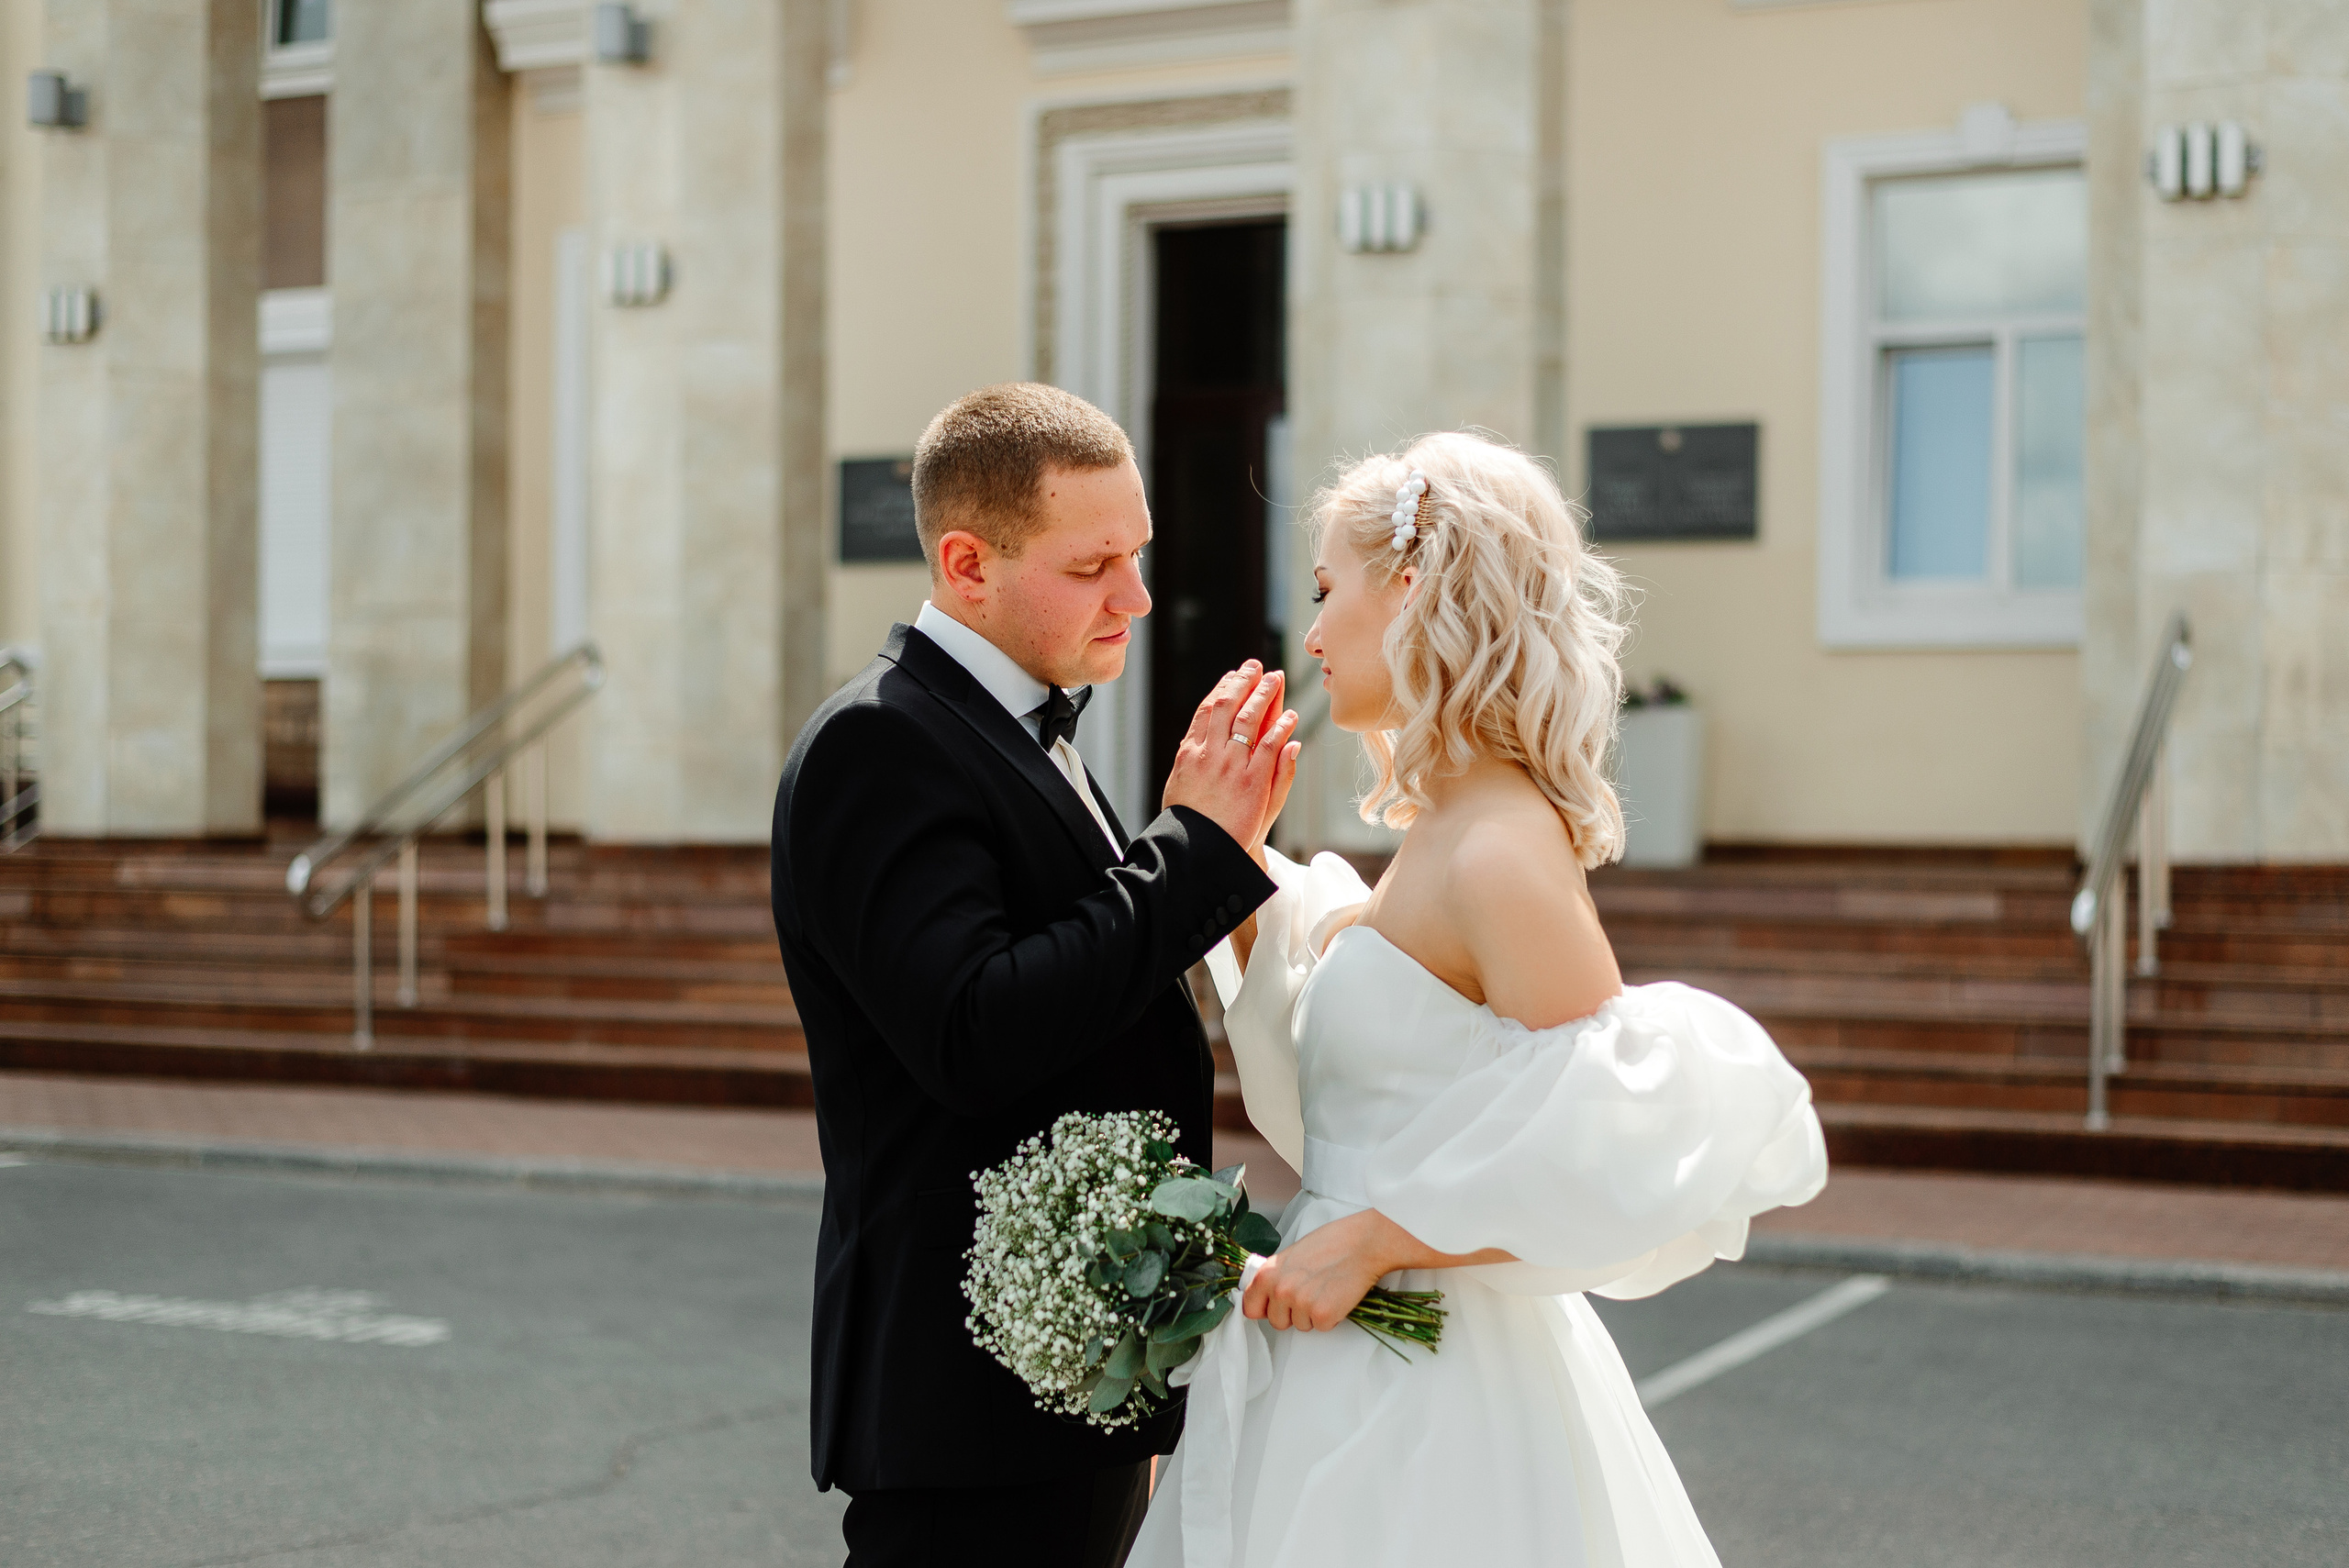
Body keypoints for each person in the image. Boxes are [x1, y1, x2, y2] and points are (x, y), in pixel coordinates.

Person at [1128, 431, 1830, 1567]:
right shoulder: (1436, 830)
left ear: (1413, 588)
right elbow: (1394, 1073)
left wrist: (1376, 1235)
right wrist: (1227, 862)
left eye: (1324, 590)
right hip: (1355, 1370)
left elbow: (1613, 1114)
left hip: (1439, 1401)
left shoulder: (1498, 845)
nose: (1307, 633)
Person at [771, 383, 1302, 1568]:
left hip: (1060, 1372)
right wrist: (1197, 849)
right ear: (968, 563)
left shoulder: (1018, 728)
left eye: (1140, 553)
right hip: (965, 1394)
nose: (1139, 596)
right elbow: (974, 1031)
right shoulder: (883, 742)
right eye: (1093, 563)